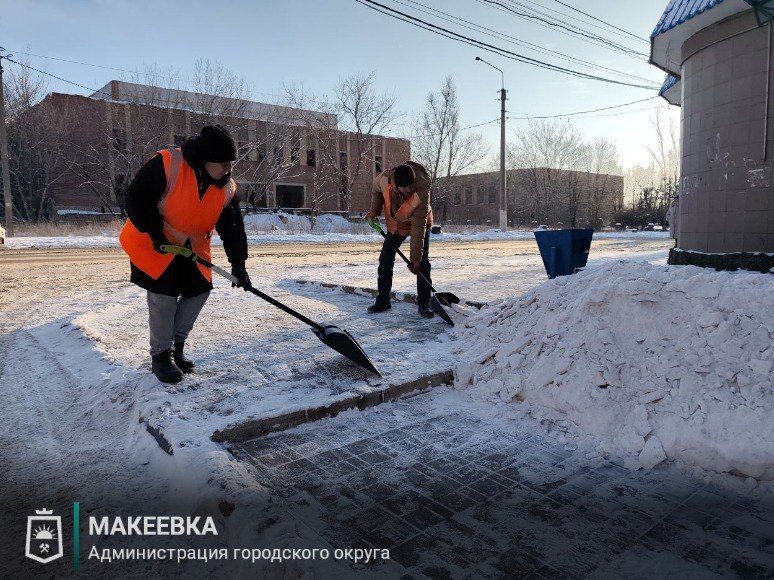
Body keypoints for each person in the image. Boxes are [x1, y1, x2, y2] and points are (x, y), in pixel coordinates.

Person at [119, 124, 252, 384]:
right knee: (164, 297)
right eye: (224, 163)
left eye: (231, 163)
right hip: (154, 241)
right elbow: (135, 198)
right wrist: (155, 233)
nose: (229, 169)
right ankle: (160, 356)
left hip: (192, 246)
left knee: (199, 290)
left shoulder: (227, 188)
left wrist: (239, 265)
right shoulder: (168, 163)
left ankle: (176, 349)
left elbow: (233, 228)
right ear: (206, 160)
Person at [365, 161, 434, 318]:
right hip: (397, 224)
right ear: (396, 183)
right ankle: (383, 301)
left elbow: (418, 227)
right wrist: (374, 211)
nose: (409, 190)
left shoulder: (421, 190)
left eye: (411, 186)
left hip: (421, 223)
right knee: (385, 260)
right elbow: (376, 190)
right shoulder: (383, 180)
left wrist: (414, 259)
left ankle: (424, 304)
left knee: (422, 263)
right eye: (405, 187)